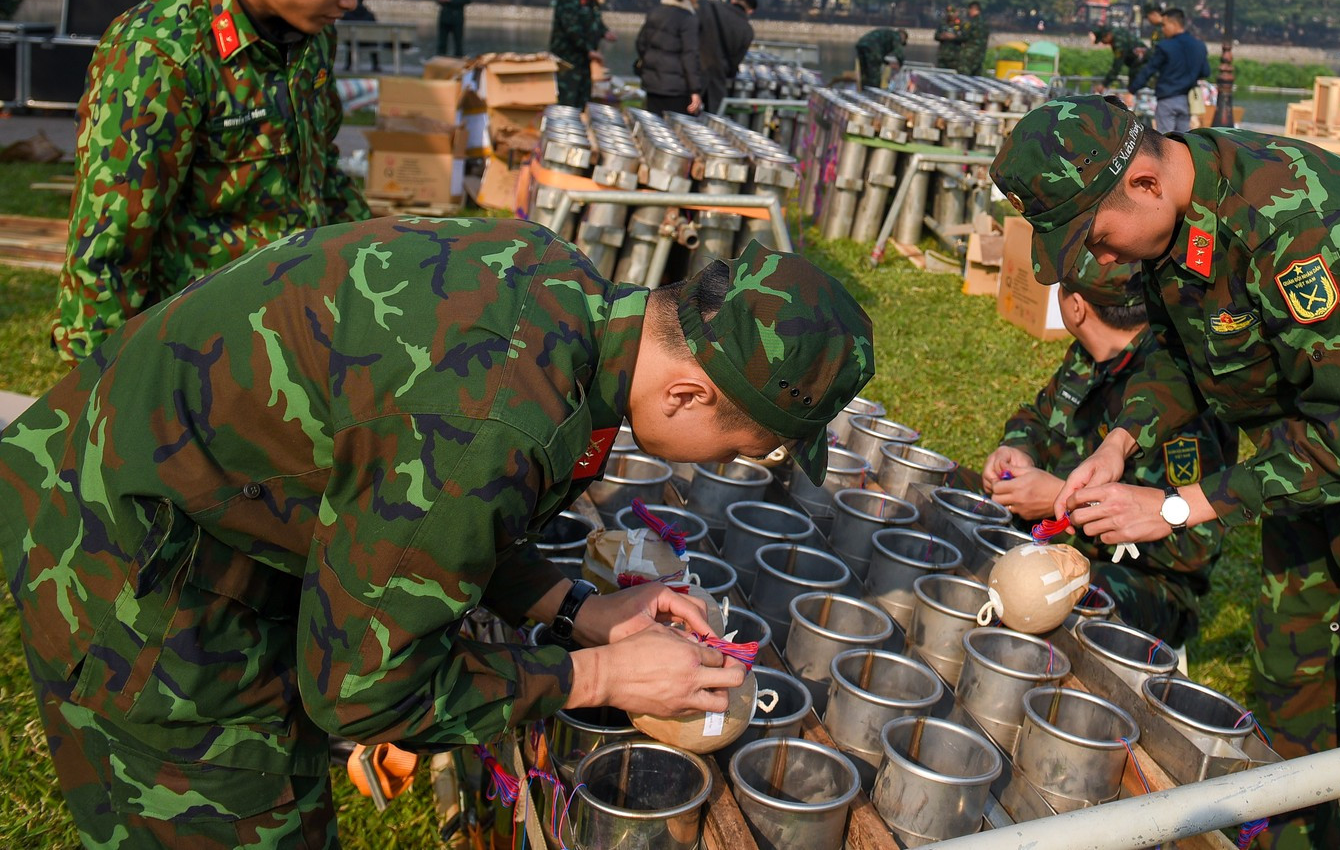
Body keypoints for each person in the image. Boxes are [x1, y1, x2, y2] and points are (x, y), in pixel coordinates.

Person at [0, 218, 874, 848]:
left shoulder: (560, 287)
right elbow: (360, 695)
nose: (726, 466)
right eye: (741, 447)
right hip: (127, 566)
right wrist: (600, 674)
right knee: (229, 807)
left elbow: (418, 509)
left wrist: (572, 607)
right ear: (686, 393)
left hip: (172, 488)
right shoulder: (495, 421)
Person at [993, 94, 1340, 850]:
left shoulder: (1294, 226)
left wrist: (1175, 508)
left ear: (1144, 184)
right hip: (1304, 447)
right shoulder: (1172, 222)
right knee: (1292, 678)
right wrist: (1117, 442)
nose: (1094, 262)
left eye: (1096, 238)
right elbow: (1182, 353)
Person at [53, 0, 399, 366]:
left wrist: (381, 270)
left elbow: (319, 174)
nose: (351, 0)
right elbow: (110, 241)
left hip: (290, 333)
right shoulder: (162, 49)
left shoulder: (309, 40)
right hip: (191, 349)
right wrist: (102, 392)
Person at [979, 254, 1230, 649]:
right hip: (1059, 541)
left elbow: (1195, 545)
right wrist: (1017, 450)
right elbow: (1037, 417)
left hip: (1140, 578)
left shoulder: (1171, 389)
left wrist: (1061, 501)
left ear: (1076, 306)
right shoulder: (1086, 357)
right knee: (972, 523)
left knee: (1056, 598)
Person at [1129, 7, 1209, 134]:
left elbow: (1149, 69)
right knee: (1183, 140)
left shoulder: (1165, 46)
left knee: (1165, 141)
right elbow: (1205, 72)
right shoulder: (1199, 46)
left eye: (1164, 25)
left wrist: (1133, 88)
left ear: (1174, 24)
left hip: (1167, 100)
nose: (1162, 29)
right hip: (1187, 101)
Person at [636, 0, 704, 116]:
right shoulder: (688, 18)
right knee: (673, 131)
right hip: (676, 87)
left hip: (652, 83)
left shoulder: (656, 11)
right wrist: (695, 90)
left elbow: (641, 43)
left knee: (653, 127)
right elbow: (690, 55)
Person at [551, 0, 615, 108]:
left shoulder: (593, 4)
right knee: (567, 100)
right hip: (567, 60)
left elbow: (596, 23)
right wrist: (589, 50)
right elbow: (572, 29)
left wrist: (605, 32)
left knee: (583, 100)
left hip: (584, 61)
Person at [697, 0, 757, 113]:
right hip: (717, 83)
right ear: (750, 10)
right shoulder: (747, 31)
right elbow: (735, 61)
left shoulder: (708, 8)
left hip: (694, 76)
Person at [1094, 25, 1149, 91]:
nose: (1103, 43)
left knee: (1135, 91)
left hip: (1142, 67)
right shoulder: (1117, 32)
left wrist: (1104, 84)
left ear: (1108, 35)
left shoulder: (1119, 42)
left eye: (1102, 40)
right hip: (1140, 65)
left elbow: (1117, 66)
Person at [955, 0, 990, 77]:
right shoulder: (985, 23)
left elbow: (964, 36)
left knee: (963, 78)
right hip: (980, 55)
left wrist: (953, 36)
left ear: (973, 9)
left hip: (969, 55)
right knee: (976, 79)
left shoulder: (971, 23)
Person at [933, 4, 964, 73]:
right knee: (940, 74)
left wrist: (954, 37)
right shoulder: (943, 23)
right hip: (943, 56)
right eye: (948, 12)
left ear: (956, 12)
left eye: (952, 12)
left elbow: (964, 37)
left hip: (955, 57)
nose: (950, 14)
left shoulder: (961, 24)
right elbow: (936, 36)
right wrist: (942, 36)